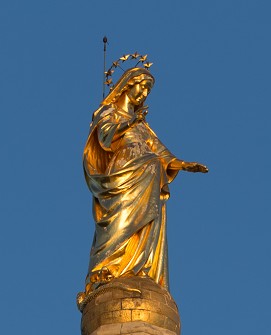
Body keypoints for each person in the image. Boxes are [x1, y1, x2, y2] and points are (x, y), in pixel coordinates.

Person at [79, 67, 207, 307]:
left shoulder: (142, 126)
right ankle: (108, 267)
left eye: (148, 89)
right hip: (124, 173)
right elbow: (106, 138)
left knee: (149, 214)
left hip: (147, 178)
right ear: (128, 85)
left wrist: (184, 164)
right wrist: (130, 122)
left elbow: (160, 152)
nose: (144, 93)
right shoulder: (109, 113)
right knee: (118, 222)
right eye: (142, 86)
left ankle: (140, 268)